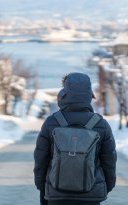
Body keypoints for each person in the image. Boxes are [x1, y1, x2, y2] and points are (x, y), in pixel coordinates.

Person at [34, 72, 117, 205]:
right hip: (90, 194)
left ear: (64, 94)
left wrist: (42, 187)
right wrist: (105, 187)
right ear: (89, 95)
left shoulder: (52, 122)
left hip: (56, 194)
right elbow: (109, 162)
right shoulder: (100, 124)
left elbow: (41, 160)